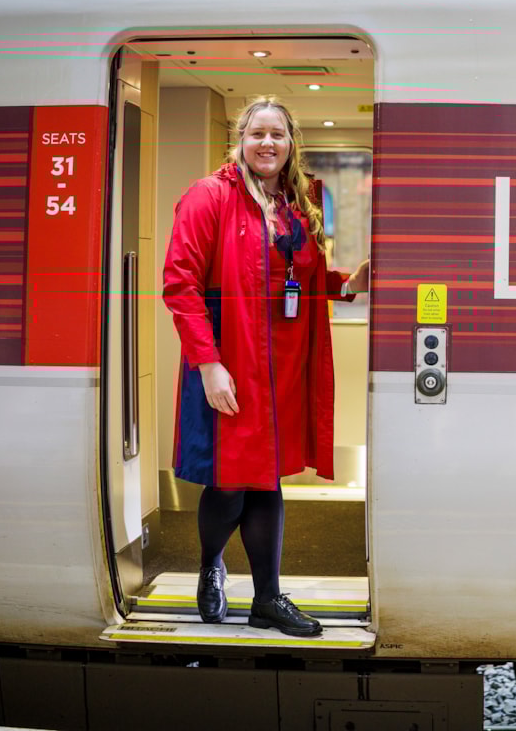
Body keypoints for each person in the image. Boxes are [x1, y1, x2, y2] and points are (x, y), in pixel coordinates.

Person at [162, 96, 368, 636]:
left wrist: (346, 282)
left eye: (278, 134)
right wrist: (208, 364)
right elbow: (179, 285)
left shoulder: (298, 202)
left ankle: (267, 599)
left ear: (291, 142)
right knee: (232, 480)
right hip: (232, 359)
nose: (268, 143)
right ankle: (211, 568)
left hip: (284, 364)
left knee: (267, 480)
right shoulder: (209, 197)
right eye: (258, 134)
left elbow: (296, 280)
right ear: (241, 139)